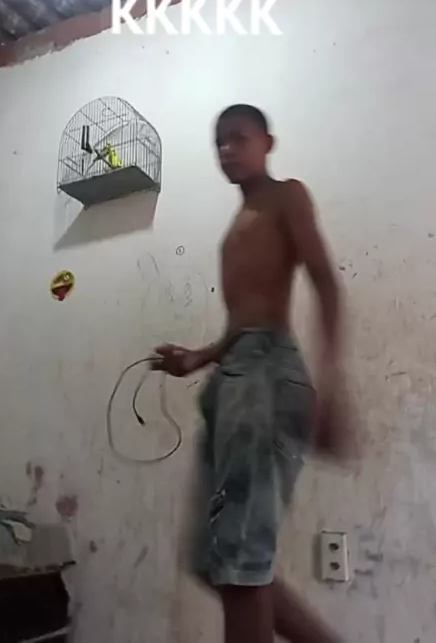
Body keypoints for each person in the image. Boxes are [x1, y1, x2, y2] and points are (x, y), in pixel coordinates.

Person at [151, 104, 355, 643]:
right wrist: (198, 357)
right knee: (213, 559)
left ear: (268, 142)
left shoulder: (286, 196)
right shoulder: (235, 229)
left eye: (239, 138)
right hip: (234, 377)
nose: (227, 150)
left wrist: (332, 383)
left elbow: (325, 283)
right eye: (219, 141)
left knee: (240, 560)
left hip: (267, 376)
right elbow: (242, 323)